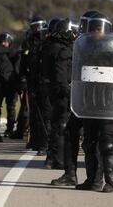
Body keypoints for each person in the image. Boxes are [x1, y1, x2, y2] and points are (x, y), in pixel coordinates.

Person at [75, 12, 113, 193]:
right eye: (93, 29)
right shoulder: (84, 49)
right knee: (89, 142)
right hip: (89, 101)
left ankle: (111, 181)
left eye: (99, 29)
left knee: (107, 143)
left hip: (108, 103)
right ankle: (93, 180)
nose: (97, 32)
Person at [51, 11, 98, 187]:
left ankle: (95, 178)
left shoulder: (103, 47)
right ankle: (72, 174)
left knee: (95, 139)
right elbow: (65, 74)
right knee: (72, 134)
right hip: (79, 98)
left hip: (95, 100)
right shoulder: (78, 46)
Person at [42, 18, 74, 170]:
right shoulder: (60, 48)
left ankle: (52, 158)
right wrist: (69, 93)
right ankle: (59, 160)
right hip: (61, 91)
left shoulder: (51, 45)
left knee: (56, 124)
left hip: (55, 90)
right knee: (61, 125)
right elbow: (61, 76)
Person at [19, 16, 48, 154]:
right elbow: (24, 62)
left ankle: (44, 143)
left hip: (43, 80)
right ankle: (35, 140)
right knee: (33, 113)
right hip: (31, 80)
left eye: (39, 26)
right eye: (35, 26)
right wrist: (22, 78)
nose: (37, 29)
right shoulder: (28, 42)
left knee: (43, 114)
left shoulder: (46, 41)